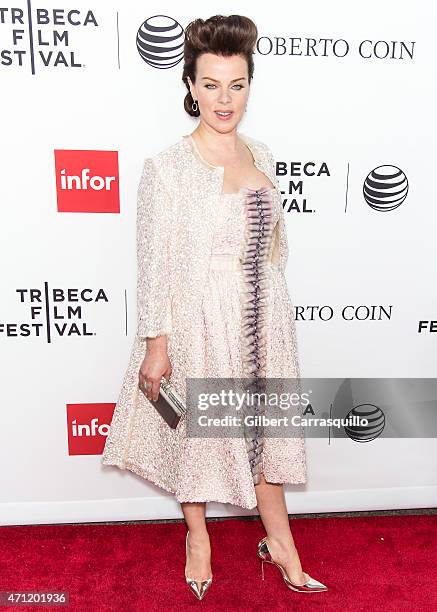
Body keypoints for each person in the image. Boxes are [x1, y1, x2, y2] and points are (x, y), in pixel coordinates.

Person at [102, 14, 327, 601]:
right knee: (198, 435)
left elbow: (274, 243)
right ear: (190, 86)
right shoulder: (167, 168)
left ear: (250, 85)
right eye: (210, 84)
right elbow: (153, 262)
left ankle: (281, 543)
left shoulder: (263, 152)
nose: (223, 99)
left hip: (262, 319)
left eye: (236, 84)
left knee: (267, 434)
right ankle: (196, 534)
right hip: (200, 320)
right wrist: (157, 343)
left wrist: (272, 301)